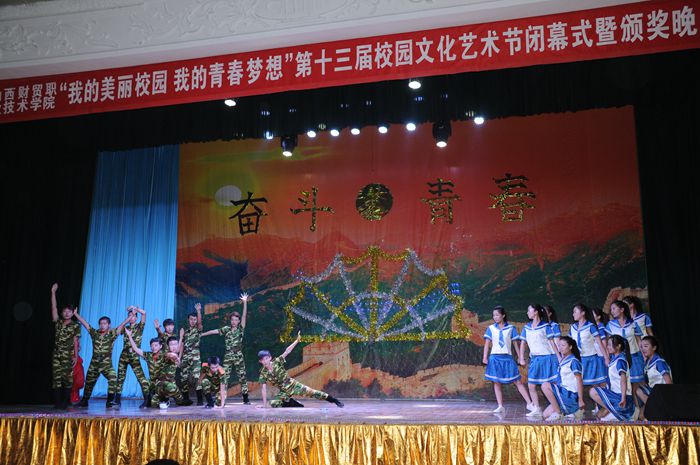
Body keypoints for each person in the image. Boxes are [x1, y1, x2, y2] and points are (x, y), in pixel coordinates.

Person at [257, 331, 343, 408]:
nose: (265, 361)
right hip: (284, 391)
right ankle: (292, 402)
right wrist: (264, 405)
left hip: (293, 385)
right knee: (273, 403)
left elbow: (287, 351)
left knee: (312, 392)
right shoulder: (263, 373)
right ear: (260, 361)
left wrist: (297, 341)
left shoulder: (277, 362)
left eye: (266, 358)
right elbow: (263, 389)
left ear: (270, 358)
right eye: (263, 360)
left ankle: (334, 400)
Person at [482, 305, 534, 413]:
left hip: (507, 357)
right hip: (495, 358)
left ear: (503, 315)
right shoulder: (491, 328)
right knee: (496, 382)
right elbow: (487, 343)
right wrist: (485, 357)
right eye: (494, 315)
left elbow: (515, 344)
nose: (495, 317)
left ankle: (529, 403)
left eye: (497, 315)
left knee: (517, 381)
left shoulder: (511, 328)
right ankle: (500, 406)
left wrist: (520, 357)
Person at [202, 293, 250, 404]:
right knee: (225, 377)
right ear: (230, 320)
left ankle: (246, 398)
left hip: (238, 354)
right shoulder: (226, 329)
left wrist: (245, 302)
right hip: (228, 355)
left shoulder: (240, 329)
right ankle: (221, 398)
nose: (234, 321)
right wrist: (202, 334)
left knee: (242, 376)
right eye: (232, 319)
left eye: (236, 320)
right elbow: (214, 331)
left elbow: (244, 316)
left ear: (238, 321)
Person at [74, 311, 130, 407]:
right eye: (101, 324)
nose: (102, 325)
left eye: (105, 323)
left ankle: (109, 401)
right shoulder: (95, 333)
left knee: (113, 378)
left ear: (109, 325)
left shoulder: (112, 333)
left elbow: (122, 324)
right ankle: (84, 401)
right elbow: (85, 324)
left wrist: (130, 317)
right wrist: (76, 314)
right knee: (89, 382)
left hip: (106, 364)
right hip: (94, 363)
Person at [518, 304, 558, 417]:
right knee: (531, 385)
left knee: (552, 385)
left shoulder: (546, 326)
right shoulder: (526, 327)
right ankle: (537, 408)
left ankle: (557, 407)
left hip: (547, 359)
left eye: (529, 310)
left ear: (535, 312)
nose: (527, 313)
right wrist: (521, 357)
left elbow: (552, 343)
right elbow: (523, 343)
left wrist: (559, 357)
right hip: (535, 359)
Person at [589, 334, 639, 421]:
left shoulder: (620, 361)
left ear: (618, 346)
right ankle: (611, 410)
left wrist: (623, 398)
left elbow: (623, 380)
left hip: (620, 397)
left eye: (609, 345)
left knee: (593, 392)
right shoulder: (615, 360)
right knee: (599, 415)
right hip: (615, 395)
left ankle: (617, 410)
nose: (607, 347)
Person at [605, 300, 644, 406]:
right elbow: (608, 343)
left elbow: (639, 341)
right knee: (622, 383)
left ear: (622, 309)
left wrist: (644, 356)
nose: (612, 311)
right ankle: (630, 407)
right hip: (618, 359)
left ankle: (638, 408)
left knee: (636, 385)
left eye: (614, 308)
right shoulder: (610, 325)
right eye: (611, 309)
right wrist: (607, 357)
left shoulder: (633, 323)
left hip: (634, 357)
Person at [50, 283, 80, 409]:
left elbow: (75, 342)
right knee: (56, 378)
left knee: (67, 378)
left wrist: (75, 356)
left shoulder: (75, 325)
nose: (67, 313)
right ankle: (57, 402)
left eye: (69, 312)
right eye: (65, 311)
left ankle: (65, 402)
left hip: (68, 355)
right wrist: (53, 292)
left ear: (73, 313)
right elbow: (54, 308)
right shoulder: (58, 322)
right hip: (56, 354)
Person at [541, 336, 585, 421]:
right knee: (545, 415)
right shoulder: (564, 360)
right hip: (563, 393)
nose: (560, 348)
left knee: (545, 385)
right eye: (559, 345)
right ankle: (566, 413)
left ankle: (559, 413)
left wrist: (580, 400)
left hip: (570, 395)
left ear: (570, 347)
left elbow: (579, 381)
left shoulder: (573, 361)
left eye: (563, 345)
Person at [114, 306, 149, 407]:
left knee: (141, 377)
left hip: (134, 355)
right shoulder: (125, 328)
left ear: (136, 318)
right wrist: (126, 320)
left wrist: (135, 309)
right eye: (129, 316)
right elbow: (117, 331)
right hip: (124, 355)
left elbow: (144, 313)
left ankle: (147, 400)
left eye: (133, 316)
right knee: (120, 378)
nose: (131, 317)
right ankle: (117, 400)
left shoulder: (139, 327)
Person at [570, 304, 608, 387]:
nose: (573, 314)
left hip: (591, 359)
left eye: (575, 312)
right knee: (578, 384)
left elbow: (600, 344)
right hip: (578, 359)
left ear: (583, 313)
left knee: (597, 383)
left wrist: (606, 358)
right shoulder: (573, 327)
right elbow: (569, 343)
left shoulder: (591, 326)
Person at [125, 328, 163, 409]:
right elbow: (136, 349)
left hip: (161, 383)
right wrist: (129, 336)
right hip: (152, 383)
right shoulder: (148, 355)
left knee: (157, 403)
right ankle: (147, 401)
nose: (153, 347)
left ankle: (163, 400)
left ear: (160, 346)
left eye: (156, 345)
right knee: (144, 382)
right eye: (152, 345)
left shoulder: (164, 355)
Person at [637, 335, 673, 420]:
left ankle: (658, 410)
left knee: (638, 390)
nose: (643, 349)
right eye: (641, 347)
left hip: (662, 393)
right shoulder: (647, 362)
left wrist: (668, 399)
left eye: (646, 346)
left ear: (654, 348)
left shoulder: (659, 362)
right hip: (653, 393)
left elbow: (669, 382)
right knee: (641, 416)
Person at [152, 336, 192, 408]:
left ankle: (176, 400)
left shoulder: (176, 355)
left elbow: (178, 358)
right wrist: (177, 358)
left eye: (175, 344)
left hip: (170, 383)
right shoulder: (165, 353)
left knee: (179, 401)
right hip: (161, 384)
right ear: (167, 346)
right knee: (172, 387)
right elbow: (170, 355)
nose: (174, 346)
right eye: (171, 344)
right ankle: (163, 397)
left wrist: (178, 358)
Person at [178, 303, 203, 405]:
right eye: (191, 319)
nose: (193, 321)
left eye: (194, 319)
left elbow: (200, 324)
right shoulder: (185, 331)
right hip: (185, 357)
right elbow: (182, 345)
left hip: (195, 357)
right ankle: (186, 399)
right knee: (184, 378)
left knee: (197, 377)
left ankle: (200, 400)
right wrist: (179, 358)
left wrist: (198, 311)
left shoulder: (198, 330)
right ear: (188, 320)